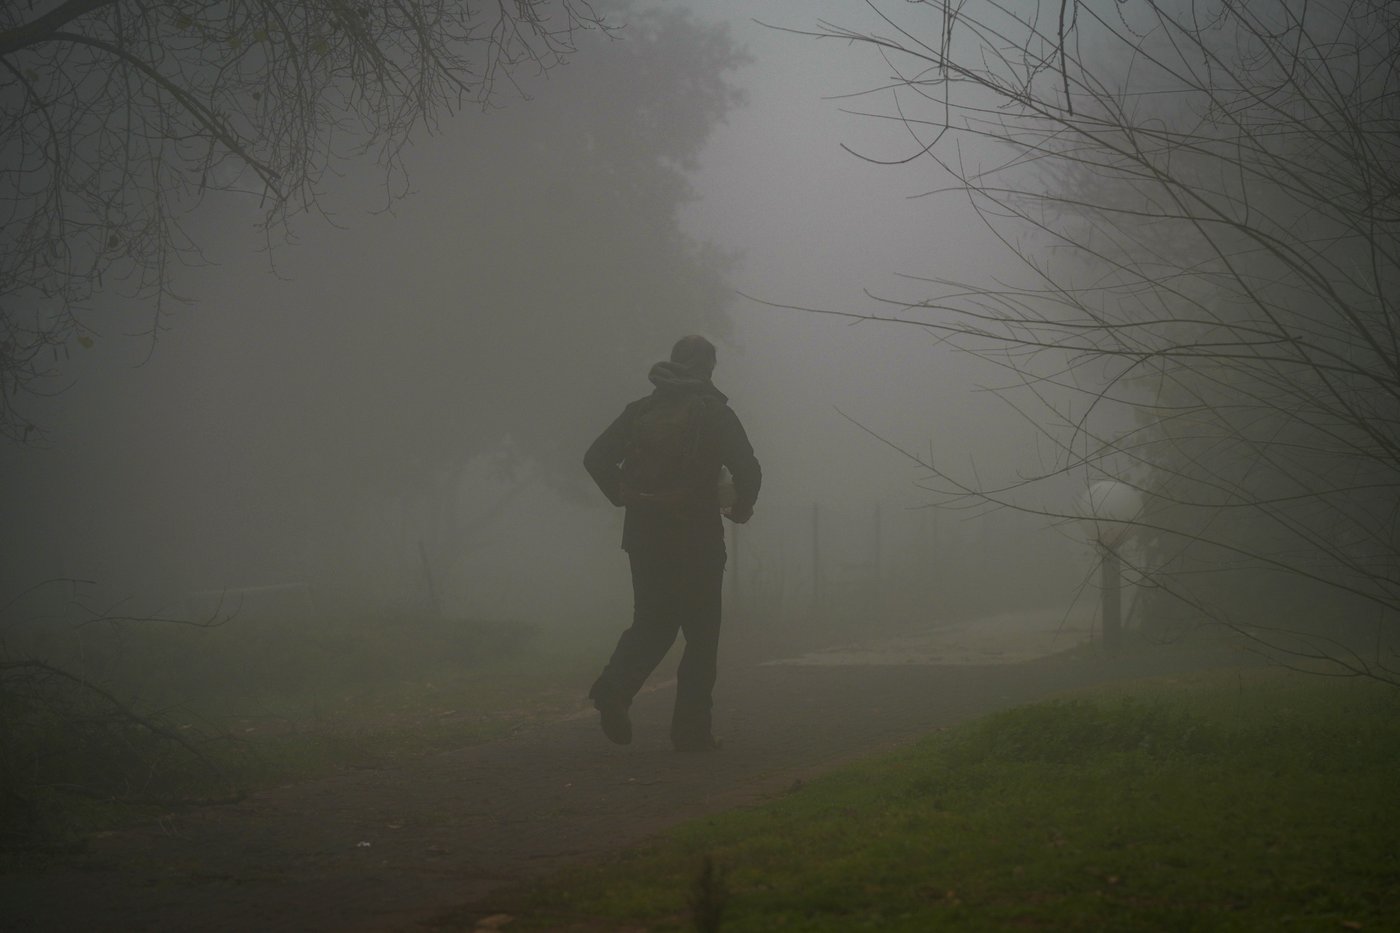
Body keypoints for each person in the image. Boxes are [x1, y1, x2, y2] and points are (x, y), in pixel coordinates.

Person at [583, 335, 761, 752]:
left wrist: (624, 496)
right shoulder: (715, 413)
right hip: (696, 537)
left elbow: (595, 458)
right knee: (701, 634)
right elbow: (747, 468)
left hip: (644, 535)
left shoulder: (640, 411)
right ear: (708, 368)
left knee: (652, 620)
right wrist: (742, 507)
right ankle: (690, 730)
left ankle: (614, 687)